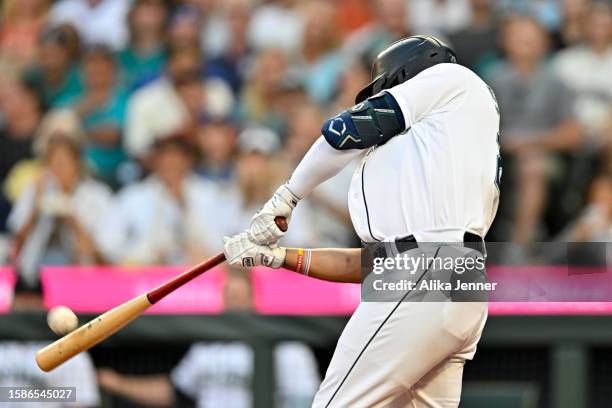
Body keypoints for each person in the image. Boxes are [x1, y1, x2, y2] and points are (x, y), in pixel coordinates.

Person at [224, 36, 500, 406]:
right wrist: (275, 257)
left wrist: (285, 198)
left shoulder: (450, 78)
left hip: (423, 277)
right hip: (453, 281)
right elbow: (375, 263)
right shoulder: (439, 161)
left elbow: (346, 131)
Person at [97, 271, 321, 408]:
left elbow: (305, 401)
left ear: (254, 299)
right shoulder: (207, 346)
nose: (233, 304)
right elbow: (174, 391)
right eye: (228, 297)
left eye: (239, 297)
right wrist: (118, 383)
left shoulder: (288, 348)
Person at [488, 16, 581, 243]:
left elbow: (573, 134)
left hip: (545, 156)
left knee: (533, 166)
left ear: (544, 42)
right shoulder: (493, 79)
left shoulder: (557, 82)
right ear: (506, 41)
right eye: (519, 36)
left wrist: (528, 143)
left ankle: (521, 246)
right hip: (498, 155)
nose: (526, 42)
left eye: (531, 36)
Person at [8, 134, 115, 290]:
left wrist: (74, 221)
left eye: (64, 163)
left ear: (77, 164)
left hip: (84, 279)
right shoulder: (36, 189)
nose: (59, 170)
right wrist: (35, 208)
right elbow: (17, 240)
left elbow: (107, 255)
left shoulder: (98, 196)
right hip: (34, 278)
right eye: (54, 164)